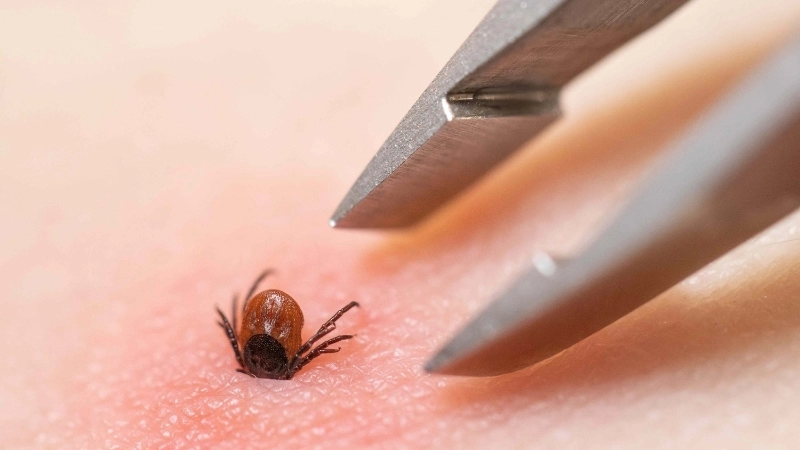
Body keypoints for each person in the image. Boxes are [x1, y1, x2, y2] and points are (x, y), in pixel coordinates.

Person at [2, 0, 800, 447]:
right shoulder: (275, 341)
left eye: (257, 350)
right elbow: (299, 328)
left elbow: (268, 320)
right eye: (261, 350)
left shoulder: (260, 337)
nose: (265, 355)